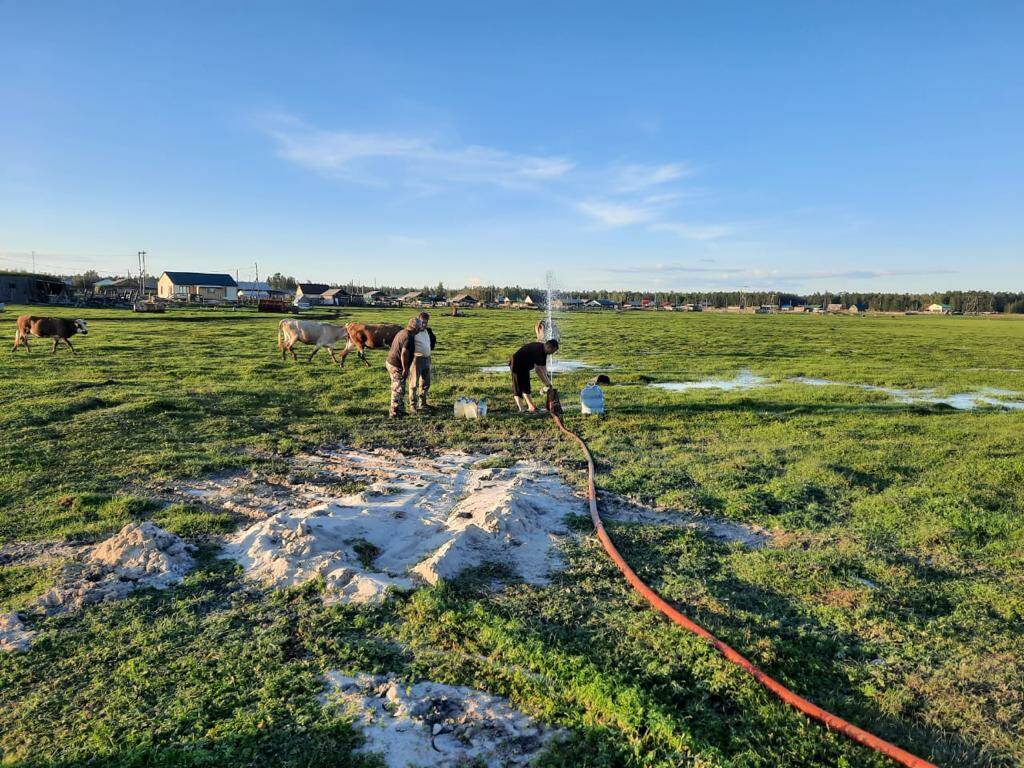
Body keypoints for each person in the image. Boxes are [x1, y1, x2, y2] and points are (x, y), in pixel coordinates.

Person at [509, 338, 559, 413]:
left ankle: (531, 406)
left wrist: (549, 383)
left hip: (525, 366)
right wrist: (547, 383)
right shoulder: (538, 350)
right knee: (518, 388)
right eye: (553, 351)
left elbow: (543, 368)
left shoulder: (544, 352)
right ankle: (521, 409)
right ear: (549, 347)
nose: (552, 353)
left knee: (526, 387)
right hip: (516, 364)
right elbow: (538, 370)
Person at [385, 316, 421, 418]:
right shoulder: (409, 336)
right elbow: (404, 353)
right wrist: (405, 369)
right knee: (398, 389)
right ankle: (395, 413)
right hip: (396, 365)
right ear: (416, 328)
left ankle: (400, 409)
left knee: (399, 387)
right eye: (419, 328)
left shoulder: (402, 332)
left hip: (390, 362)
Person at [408, 311, 436, 412]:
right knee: (414, 383)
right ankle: (412, 405)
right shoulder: (414, 332)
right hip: (417, 359)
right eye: (422, 322)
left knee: (426, 383)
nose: (424, 324)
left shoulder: (427, 331)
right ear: (418, 320)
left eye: (426, 322)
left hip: (427, 358)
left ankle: (423, 403)